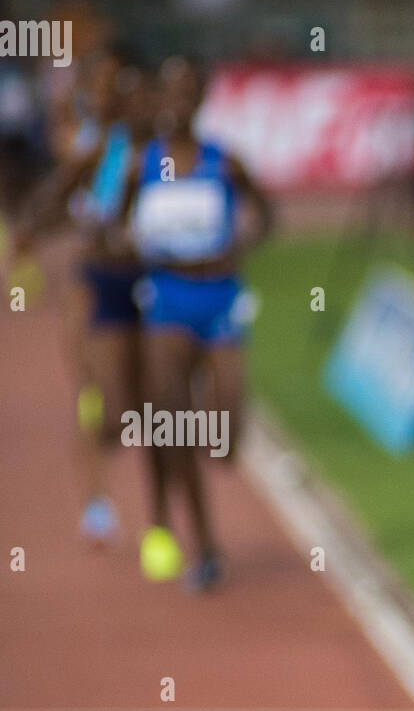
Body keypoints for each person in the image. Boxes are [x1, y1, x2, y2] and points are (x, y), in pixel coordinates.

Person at [117, 56, 273, 590]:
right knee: (174, 425)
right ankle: (205, 546)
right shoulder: (142, 165)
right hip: (166, 303)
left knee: (225, 439)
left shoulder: (224, 162)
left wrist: (241, 244)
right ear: (159, 99)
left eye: (189, 92)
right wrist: (134, 244)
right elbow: (115, 228)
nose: (179, 102)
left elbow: (266, 216)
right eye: (171, 91)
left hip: (220, 300)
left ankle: (216, 463)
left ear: (202, 99)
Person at [5, 49, 156, 548]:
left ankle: (154, 503)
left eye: (124, 87)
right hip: (94, 285)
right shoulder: (92, 147)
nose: (114, 96)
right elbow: (55, 197)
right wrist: (31, 230)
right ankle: (96, 500)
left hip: (151, 286)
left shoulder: (161, 150)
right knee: (101, 402)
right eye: (105, 86)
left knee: (138, 401)